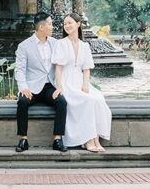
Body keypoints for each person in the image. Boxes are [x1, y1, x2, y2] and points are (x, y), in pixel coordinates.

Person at [53, 12, 112, 153]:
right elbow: (58, 69)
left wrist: (85, 85)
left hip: (80, 81)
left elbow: (86, 69)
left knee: (97, 99)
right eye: (65, 23)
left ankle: (96, 138)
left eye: (70, 23)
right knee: (87, 101)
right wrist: (59, 87)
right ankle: (89, 140)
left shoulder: (84, 45)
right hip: (66, 82)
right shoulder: (61, 44)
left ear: (78, 24)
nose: (66, 26)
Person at [14, 11, 68, 152]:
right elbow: (19, 69)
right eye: (50, 24)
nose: (52, 27)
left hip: (50, 86)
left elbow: (61, 66)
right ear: (42, 27)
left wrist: (60, 86)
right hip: (31, 87)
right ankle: (23, 140)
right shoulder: (24, 46)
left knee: (62, 102)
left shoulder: (55, 43)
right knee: (22, 102)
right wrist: (23, 87)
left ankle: (57, 139)